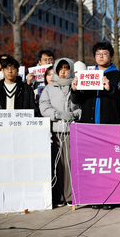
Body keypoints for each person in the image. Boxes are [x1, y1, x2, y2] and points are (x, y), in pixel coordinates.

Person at [71, 41, 120, 210]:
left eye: (105, 53)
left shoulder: (119, 76)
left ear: (111, 56)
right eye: (98, 54)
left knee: (109, 164)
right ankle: (94, 196)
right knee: (93, 164)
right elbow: (78, 101)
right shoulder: (87, 74)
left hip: (110, 126)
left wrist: (111, 89)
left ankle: (110, 197)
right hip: (89, 126)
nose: (101, 56)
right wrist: (74, 89)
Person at [39, 58, 80, 208]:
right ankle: (57, 196)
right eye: (60, 69)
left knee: (70, 164)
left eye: (66, 68)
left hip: (73, 131)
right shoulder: (50, 88)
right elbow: (43, 107)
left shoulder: (77, 85)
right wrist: (58, 114)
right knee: (57, 165)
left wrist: (76, 114)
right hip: (56, 132)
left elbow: (83, 105)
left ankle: (70, 196)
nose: (63, 72)